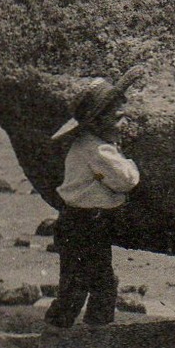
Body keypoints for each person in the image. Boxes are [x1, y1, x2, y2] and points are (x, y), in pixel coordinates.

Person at [44, 65, 146, 329]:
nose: (123, 121)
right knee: (90, 287)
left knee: (85, 284)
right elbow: (127, 181)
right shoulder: (99, 150)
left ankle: (65, 341)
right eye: (117, 116)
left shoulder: (86, 144)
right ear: (99, 121)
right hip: (86, 224)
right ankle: (68, 342)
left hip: (77, 222)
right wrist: (131, 163)